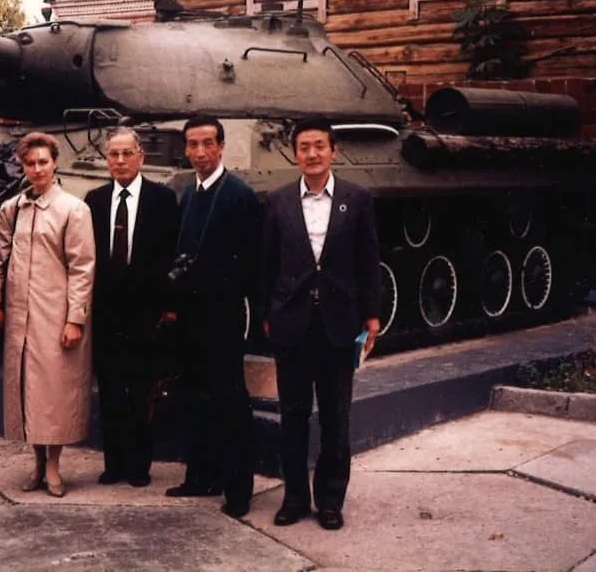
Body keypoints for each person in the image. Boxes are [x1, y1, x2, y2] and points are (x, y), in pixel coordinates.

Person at [261, 115, 381, 531]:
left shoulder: (357, 198)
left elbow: (369, 263)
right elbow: (267, 265)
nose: (312, 154)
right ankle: (294, 498)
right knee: (292, 417)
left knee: (336, 418)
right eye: (304, 147)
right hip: (291, 325)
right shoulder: (277, 202)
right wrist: (266, 314)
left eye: (319, 146)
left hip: (339, 325)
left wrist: (372, 315)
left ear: (333, 151)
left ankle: (330, 500)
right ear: (294, 154)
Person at [0, 131, 96, 498]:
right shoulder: (11, 209)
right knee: (26, 391)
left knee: (53, 392)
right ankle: (35, 462)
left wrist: (75, 319)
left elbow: (82, 268)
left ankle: (53, 466)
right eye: (30, 163)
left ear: (55, 163)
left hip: (55, 314)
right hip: (20, 315)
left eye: (43, 162)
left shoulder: (73, 209)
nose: (37, 169)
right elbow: (0, 260)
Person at [164, 116, 260, 519]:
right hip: (190, 314)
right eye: (192, 144)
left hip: (221, 314)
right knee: (194, 397)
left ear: (221, 147)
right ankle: (201, 476)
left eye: (207, 143)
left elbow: (253, 261)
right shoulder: (188, 194)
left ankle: (238, 489)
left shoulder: (240, 195)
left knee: (229, 400)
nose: (199, 152)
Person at [84, 127, 179, 488]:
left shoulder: (163, 199)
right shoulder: (93, 200)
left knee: (141, 391)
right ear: (106, 159)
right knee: (109, 389)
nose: (120, 161)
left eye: (127, 153)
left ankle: (140, 465)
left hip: (146, 312)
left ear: (141, 156)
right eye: (113, 154)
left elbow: (171, 256)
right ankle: (114, 464)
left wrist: (168, 309)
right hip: (106, 312)